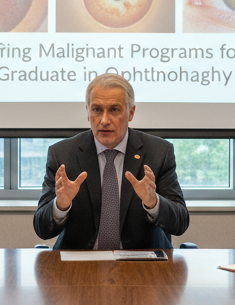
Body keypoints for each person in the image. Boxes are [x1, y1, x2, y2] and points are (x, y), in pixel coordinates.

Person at [33, 74, 189, 250]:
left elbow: (180, 223)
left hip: (142, 265)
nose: (104, 120)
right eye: (97, 110)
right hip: (78, 265)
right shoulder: (62, 154)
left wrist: (153, 202)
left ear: (131, 113)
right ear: (88, 112)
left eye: (114, 110)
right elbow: (42, 229)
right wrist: (60, 205)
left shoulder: (159, 152)